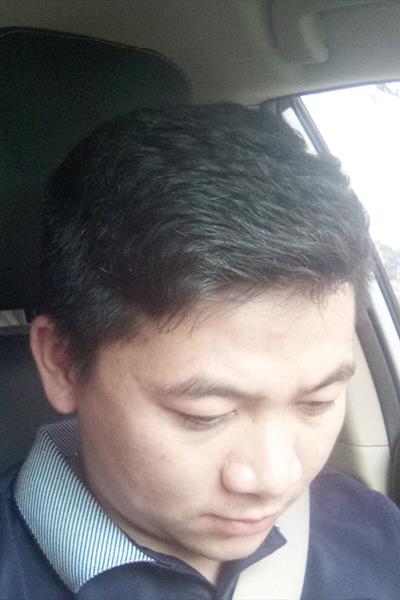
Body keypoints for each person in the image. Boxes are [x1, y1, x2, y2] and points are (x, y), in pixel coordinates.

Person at [1, 103, 399, 600]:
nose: (276, 479)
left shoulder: (377, 530)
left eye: (318, 402)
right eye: (205, 414)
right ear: (63, 363)